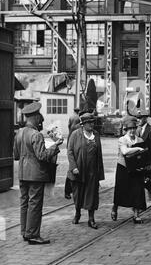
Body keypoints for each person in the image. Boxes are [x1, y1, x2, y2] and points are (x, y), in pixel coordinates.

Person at [13, 102, 63, 244]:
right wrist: (55, 145)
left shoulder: (19, 133)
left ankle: (25, 231)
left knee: (24, 202)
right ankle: (33, 235)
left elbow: (16, 155)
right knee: (35, 203)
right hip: (36, 174)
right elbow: (42, 156)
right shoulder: (36, 135)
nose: (41, 120)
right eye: (39, 117)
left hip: (22, 173)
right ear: (34, 117)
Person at [67, 112, 105, 229]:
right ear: (83, 124)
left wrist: (99, 171)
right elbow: (70, 152)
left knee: (92, 194)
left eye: (92, 122)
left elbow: (99, 154)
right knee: (78, 194)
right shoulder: (75, 134)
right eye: (89, 123)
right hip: (79, 170)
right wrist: (74, 167)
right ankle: (77, 213)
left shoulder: (96, 135)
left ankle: (91, 218)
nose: (91, 125)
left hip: (92, 170)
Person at [111, 116, 147, 224]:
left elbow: (143, 155)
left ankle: (136, 215)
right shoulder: (122, 139)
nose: (132, 131)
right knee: (120, 191)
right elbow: (125, 151)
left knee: (137, 190)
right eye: (129, 129)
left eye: (133, 128)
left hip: (136, 169)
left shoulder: (140, 140)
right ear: (126, 130)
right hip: (123, 168)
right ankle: (115, 207)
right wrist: (138, 149)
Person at [64, 107, 81, 199]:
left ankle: (69, 191)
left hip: (71, 141)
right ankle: (68, 191)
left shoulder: (71, 117)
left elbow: (68, 126)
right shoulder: (78, 120)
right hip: (74, 146)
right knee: (72, 170)